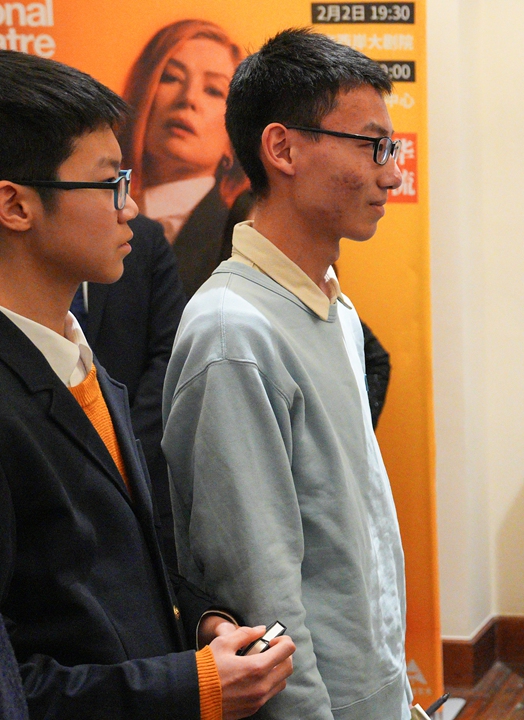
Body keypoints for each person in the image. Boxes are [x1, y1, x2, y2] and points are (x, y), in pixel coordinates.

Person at [0, 50, 294, 720]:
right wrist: (191, 685)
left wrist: (200, 623)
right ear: (15, 204)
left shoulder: (82, 360)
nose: (130, 208)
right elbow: (15, 681)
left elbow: (112, 568)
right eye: (108, 185)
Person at [162, 28, 413, 720]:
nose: (389, 172)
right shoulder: (232, 332)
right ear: (283, 148)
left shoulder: (334, 307)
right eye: (372, 146)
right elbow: (259, 592)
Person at [73, 214, 187, 568]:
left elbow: (169, 353)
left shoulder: (146, 240)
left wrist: (122, 450)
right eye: (110, 183)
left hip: (143, 476)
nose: (130, 206)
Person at [118, 19, 248, 297]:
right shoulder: (95, 218)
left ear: (233, 139)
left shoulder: (243, 240)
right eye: (171, 77)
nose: (188, 98)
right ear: (142, 93)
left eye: (213, 90)